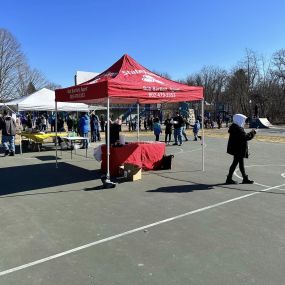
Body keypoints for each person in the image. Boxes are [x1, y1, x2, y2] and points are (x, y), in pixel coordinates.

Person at [226, 113, 256, 184]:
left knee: (239, 164)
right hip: (238, 149)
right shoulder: (237, 128)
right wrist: (253, 132)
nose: (244, 122)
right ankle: (230, 178)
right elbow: (245, 137)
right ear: (239, 120)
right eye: (243, 120)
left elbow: (243, 137)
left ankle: (243, 178)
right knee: (236, 163)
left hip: (237, 148)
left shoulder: (236, 127)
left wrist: (251, 133)